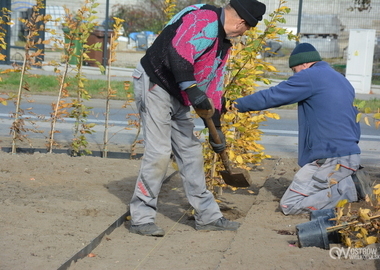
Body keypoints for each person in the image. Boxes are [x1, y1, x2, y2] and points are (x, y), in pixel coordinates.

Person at [129, 0, 267, 236]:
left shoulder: (222, 44)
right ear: (242, 23)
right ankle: (141, 218)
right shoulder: (204, 18)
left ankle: (208, 216)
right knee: (159, 153)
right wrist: (192, 88)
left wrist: (216, 127)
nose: (243, 34)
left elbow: (213, 87)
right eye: (247, 29)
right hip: (155, 85)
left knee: (191, 152)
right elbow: (178, 52)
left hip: (178, 95)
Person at [233, 42, 370, 215]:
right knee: (311, 190)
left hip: (332, 159)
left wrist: (235, 105)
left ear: (304, 64)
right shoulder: (341, 79)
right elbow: (353, 119)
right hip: (348, 155)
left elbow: (273, 96)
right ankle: (346, 183)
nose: (294, 75)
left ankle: (350, 189)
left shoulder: (310, 76)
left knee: (290, 204)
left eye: (294, 70)